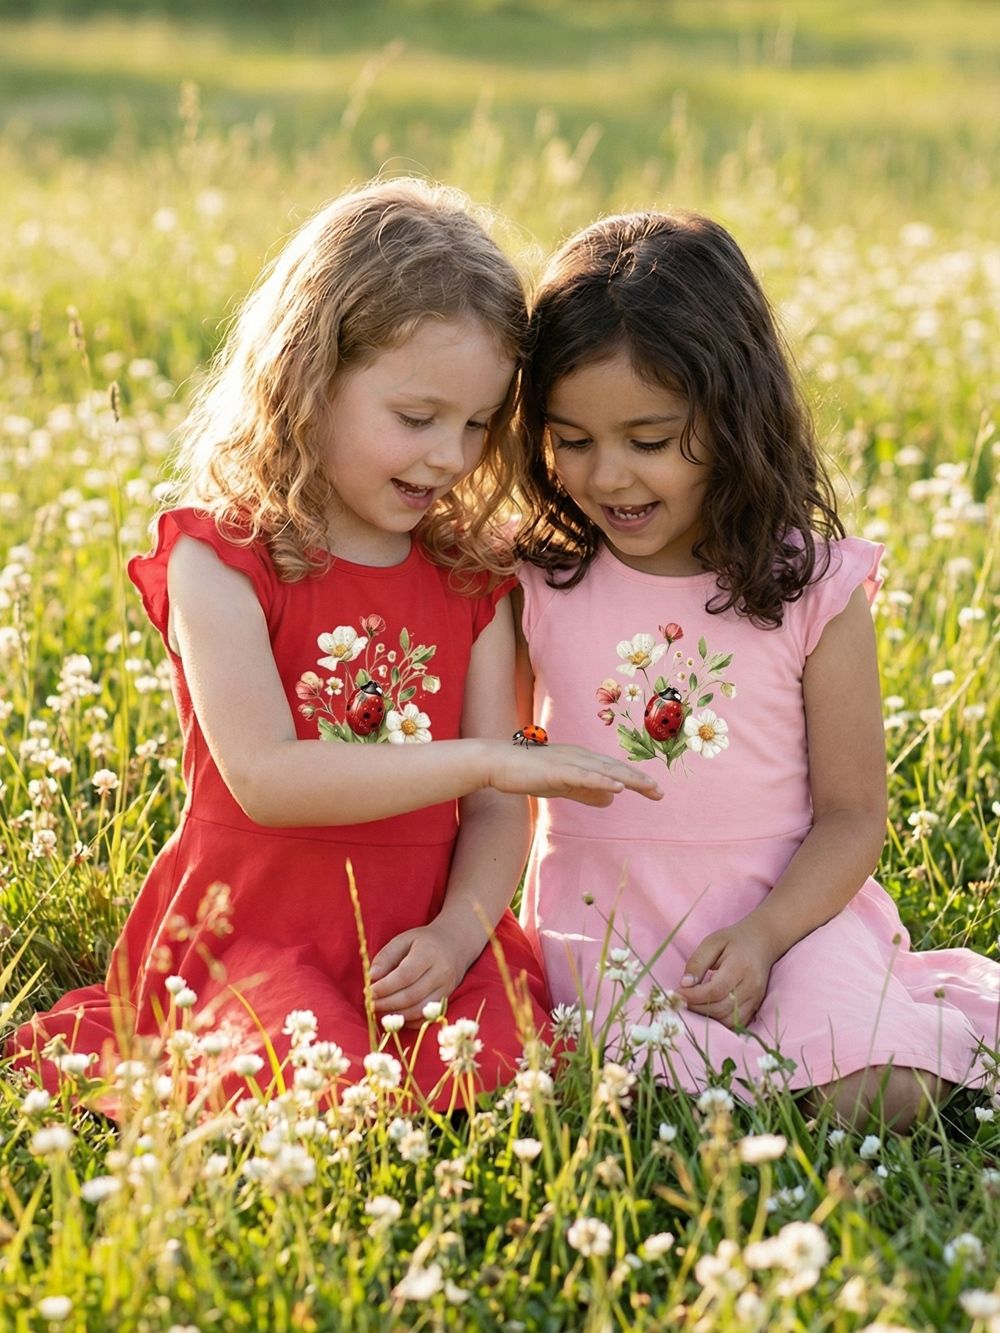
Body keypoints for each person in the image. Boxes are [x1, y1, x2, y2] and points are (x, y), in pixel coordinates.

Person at [8, 178, 661, 1113]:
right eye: (417, 417)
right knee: (302, 1080)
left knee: (504, 1064)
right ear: (308, 378)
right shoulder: (222, 560)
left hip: (419, 937)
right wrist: (489, 759)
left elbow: (494, 814)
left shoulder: (470, 577)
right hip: (256, 933)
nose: (450, 455)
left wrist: (458, 934)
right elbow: (268, 776)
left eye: (479, 425)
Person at [514, 209, 999, 1129]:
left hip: (790, 919)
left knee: (880, 1089)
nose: (608, 475)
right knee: (629, 1090)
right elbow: (497, 775)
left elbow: (854, 814)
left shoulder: (811, 584)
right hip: (602, 929)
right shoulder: (536, 580)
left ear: (732, 414)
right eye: (571, 440)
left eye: (648, 441)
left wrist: (769, 935)